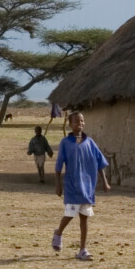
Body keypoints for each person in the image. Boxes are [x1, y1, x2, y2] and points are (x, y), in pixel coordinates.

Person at [53, 111, 111, 261]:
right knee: (70, 214)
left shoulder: (90, 142)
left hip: (87, 187)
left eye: (82, 121)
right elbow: (58, 166)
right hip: (72, 186)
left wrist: (105, 182)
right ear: (70, 124)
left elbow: (100, 162)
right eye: (77, 121)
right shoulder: (65, 143)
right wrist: (58, 185)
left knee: (84, 218)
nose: (80, 124)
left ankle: (83, 249)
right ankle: (58, 232)